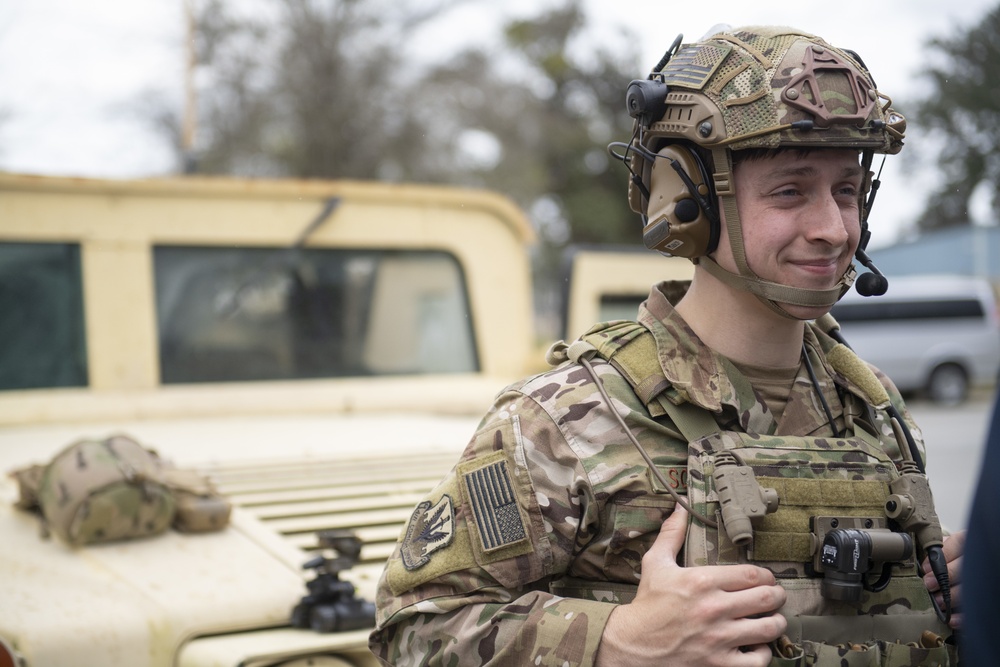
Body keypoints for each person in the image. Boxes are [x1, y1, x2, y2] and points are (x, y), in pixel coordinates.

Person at [369, 25, 964, 666]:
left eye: (846, 190)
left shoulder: (874, 409)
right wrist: (614, 643)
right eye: (790, 191)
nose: (832, 228)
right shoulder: (564, 420)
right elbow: (417, 627)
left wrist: (943, 596)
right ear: (691, 202)